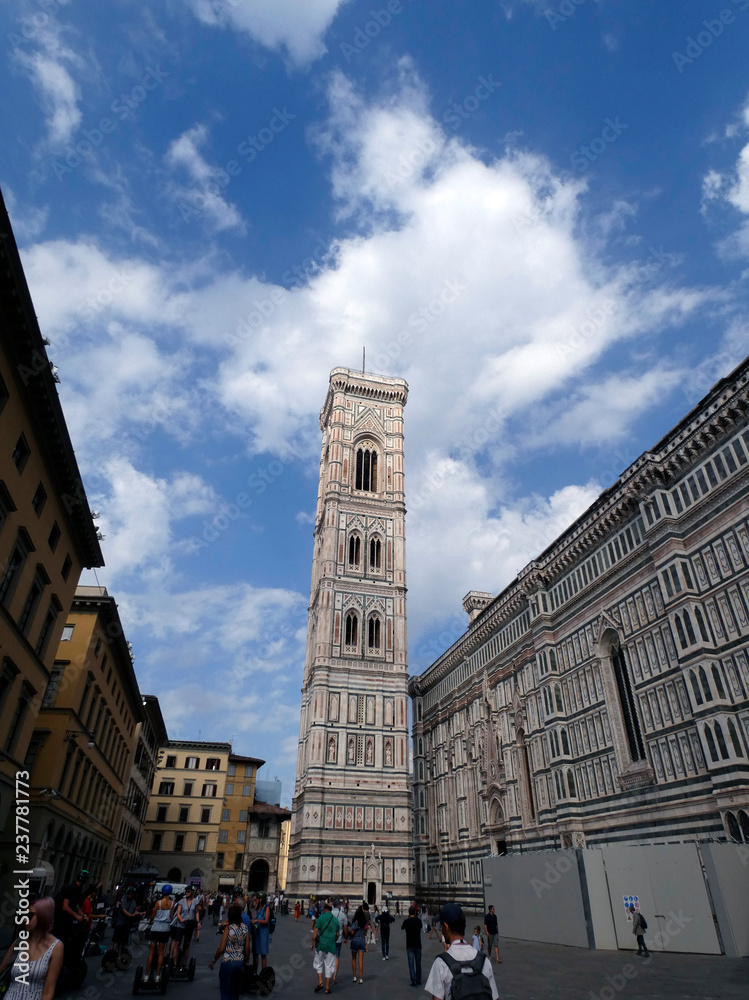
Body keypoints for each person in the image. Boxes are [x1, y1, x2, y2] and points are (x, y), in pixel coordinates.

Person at [425, 903, 498, 1000]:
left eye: (441, 926)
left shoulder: (441, 963)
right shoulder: (483, 960)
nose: (441, 929)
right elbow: (495, 997)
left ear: (446, 927)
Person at [0, 897, 63, 1000]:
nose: (25, 919)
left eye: (30, 916)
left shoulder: (56, 947)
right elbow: (2, 970)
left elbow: (48, 992)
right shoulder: (20, 941)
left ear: (43, 916)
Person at [209, 904, 250, 1000]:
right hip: (239, 961)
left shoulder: (228, 928)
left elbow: (221, 948)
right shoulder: (245, 928)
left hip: (227, 961)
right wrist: (247, 962)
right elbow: (247, 947)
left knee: (225, 990)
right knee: (235, 991)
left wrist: (213, 960)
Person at [145, 884, 173, 982]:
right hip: (165, 928)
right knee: (161, 953)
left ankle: (146, 976)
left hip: (156, 927)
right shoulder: (172, 904)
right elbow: (171, 917)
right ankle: (157, 976)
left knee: (151, 952)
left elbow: (153, 915)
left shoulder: (158, 903)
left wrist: (150, 921)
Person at [311, 900, 338, 994]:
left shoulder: (321, 918)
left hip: (321, 945)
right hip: (331, 945)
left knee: (318, 963)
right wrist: (334, 939)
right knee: (329, 965)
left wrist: (311, 943)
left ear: (325, 909)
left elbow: (315, 931)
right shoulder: (335, 919)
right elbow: (338, 934)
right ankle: (327, 988)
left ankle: (320, 982)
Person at [172, 886, 200, 966]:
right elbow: (178, 912)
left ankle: (184, 962)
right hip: (181, 924)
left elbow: (196, 912)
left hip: (189, 925)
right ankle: (174, 962)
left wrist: (197, 922)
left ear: (192, 892)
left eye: (188, 891)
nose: (186, 893)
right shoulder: (181, 901)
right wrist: (180, 919)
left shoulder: (195, 901)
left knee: (187, 944)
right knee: (177, 943)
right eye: (186, 891)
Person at [111, 888, 140, 955]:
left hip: (126, 924)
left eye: (131, 894)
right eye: (129, 894)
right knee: (117, 941)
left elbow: (134, 910)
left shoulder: (133, 902)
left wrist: (137, 913)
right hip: (120, 923)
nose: (130, 895)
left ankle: (119, 954)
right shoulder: (123, 901)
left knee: (122, 942)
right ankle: (113, 955)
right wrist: (132, 915)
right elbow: (124, 911)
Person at [401, 904, 422, 987]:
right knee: (418, 963)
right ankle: (418, 979)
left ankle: (413, 980)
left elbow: (402, 927)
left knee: (411, 963)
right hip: (418, 944)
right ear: (415, 912)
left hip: (409, 945)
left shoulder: (406, 922)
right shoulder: (418, 921)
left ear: (409, 913)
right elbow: (420, 927)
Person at [348, 903, 369, 983]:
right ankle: (360, 978)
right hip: (362, 941)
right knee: (361, 960)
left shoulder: (355, 922)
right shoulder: (364, 922)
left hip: (355, 941)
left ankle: (354, 977)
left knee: (354, 959)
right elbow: (366, 932)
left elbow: (352, 932)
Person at [329, 897, 348, 985]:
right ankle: (335, 976)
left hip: (330, 938)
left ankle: (328, 975)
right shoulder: (342, 915)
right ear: (339, 906)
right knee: (337, 957)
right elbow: (345, 927)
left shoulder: (330, 914)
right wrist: (346, 937)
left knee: (329, 956)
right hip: (339, 938)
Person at [251, 892, 271, 970]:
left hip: (263, 933)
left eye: (257, 898)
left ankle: (263, 972)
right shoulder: (257, 908)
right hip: (256, 932)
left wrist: (257, 921)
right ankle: (255, 971)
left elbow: (266, 920)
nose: (256, 899)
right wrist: (252, 921)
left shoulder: (266, 907)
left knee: (263, 953)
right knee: (256, 953)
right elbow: (254, 917)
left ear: (261, 899)